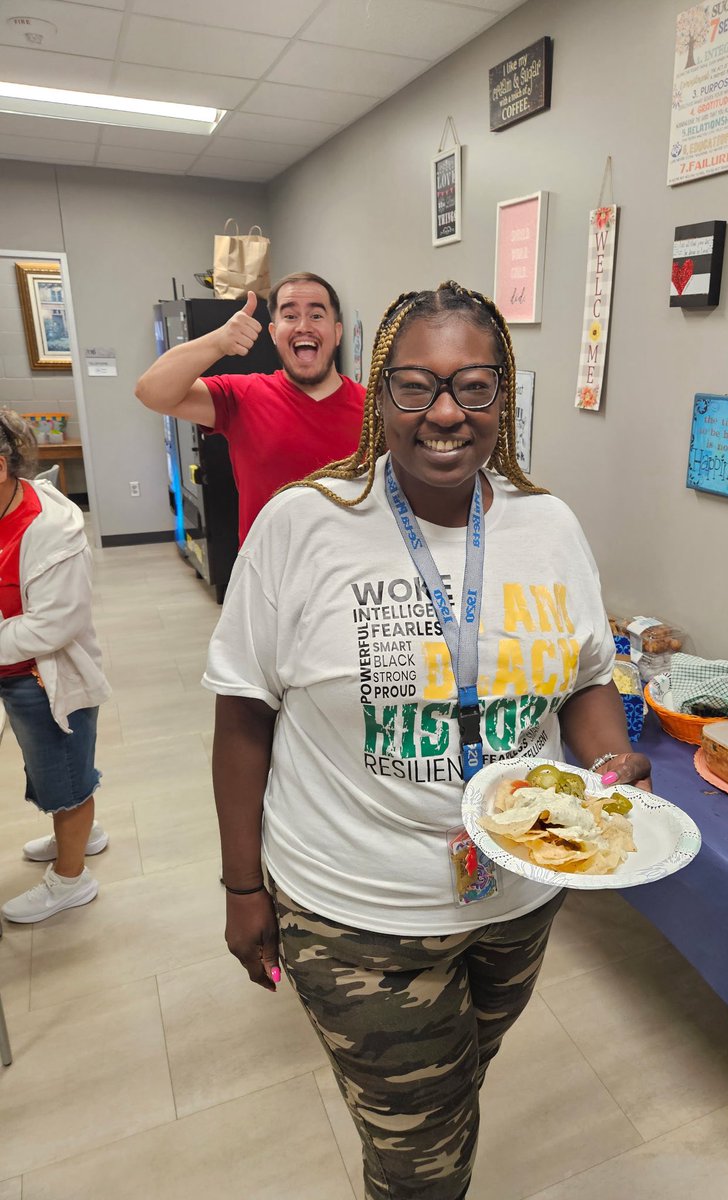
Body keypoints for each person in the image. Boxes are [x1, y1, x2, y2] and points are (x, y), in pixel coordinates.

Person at [203, 281, 652, 1200]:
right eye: (414, 386)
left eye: (474, 386)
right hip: (353, 910)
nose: (444, 413)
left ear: (502, 399)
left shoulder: (548, 524)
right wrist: (243, 887)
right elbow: (243, 714)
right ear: (379, 394)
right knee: (419, 1164)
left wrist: (607, 765)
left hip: (517, 898)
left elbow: (588, 678)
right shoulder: (304, 524)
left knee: (459, 1080)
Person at [134, 272, 365, 542]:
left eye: (316, 315)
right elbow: (150, 391)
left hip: (350, 576)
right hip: (267, 576)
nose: (304, 326)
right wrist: (218, 341)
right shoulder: (242, 396)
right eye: (290, 316)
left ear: (337, 332)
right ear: (273, 333)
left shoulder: (373, 408)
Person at [0, 412, 111, 924]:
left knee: (64, 776)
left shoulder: (49, 529)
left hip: (44, 679)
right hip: (16, 671)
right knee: (53, 768)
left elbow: (54, 626)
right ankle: (79, 836)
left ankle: (72, 880)